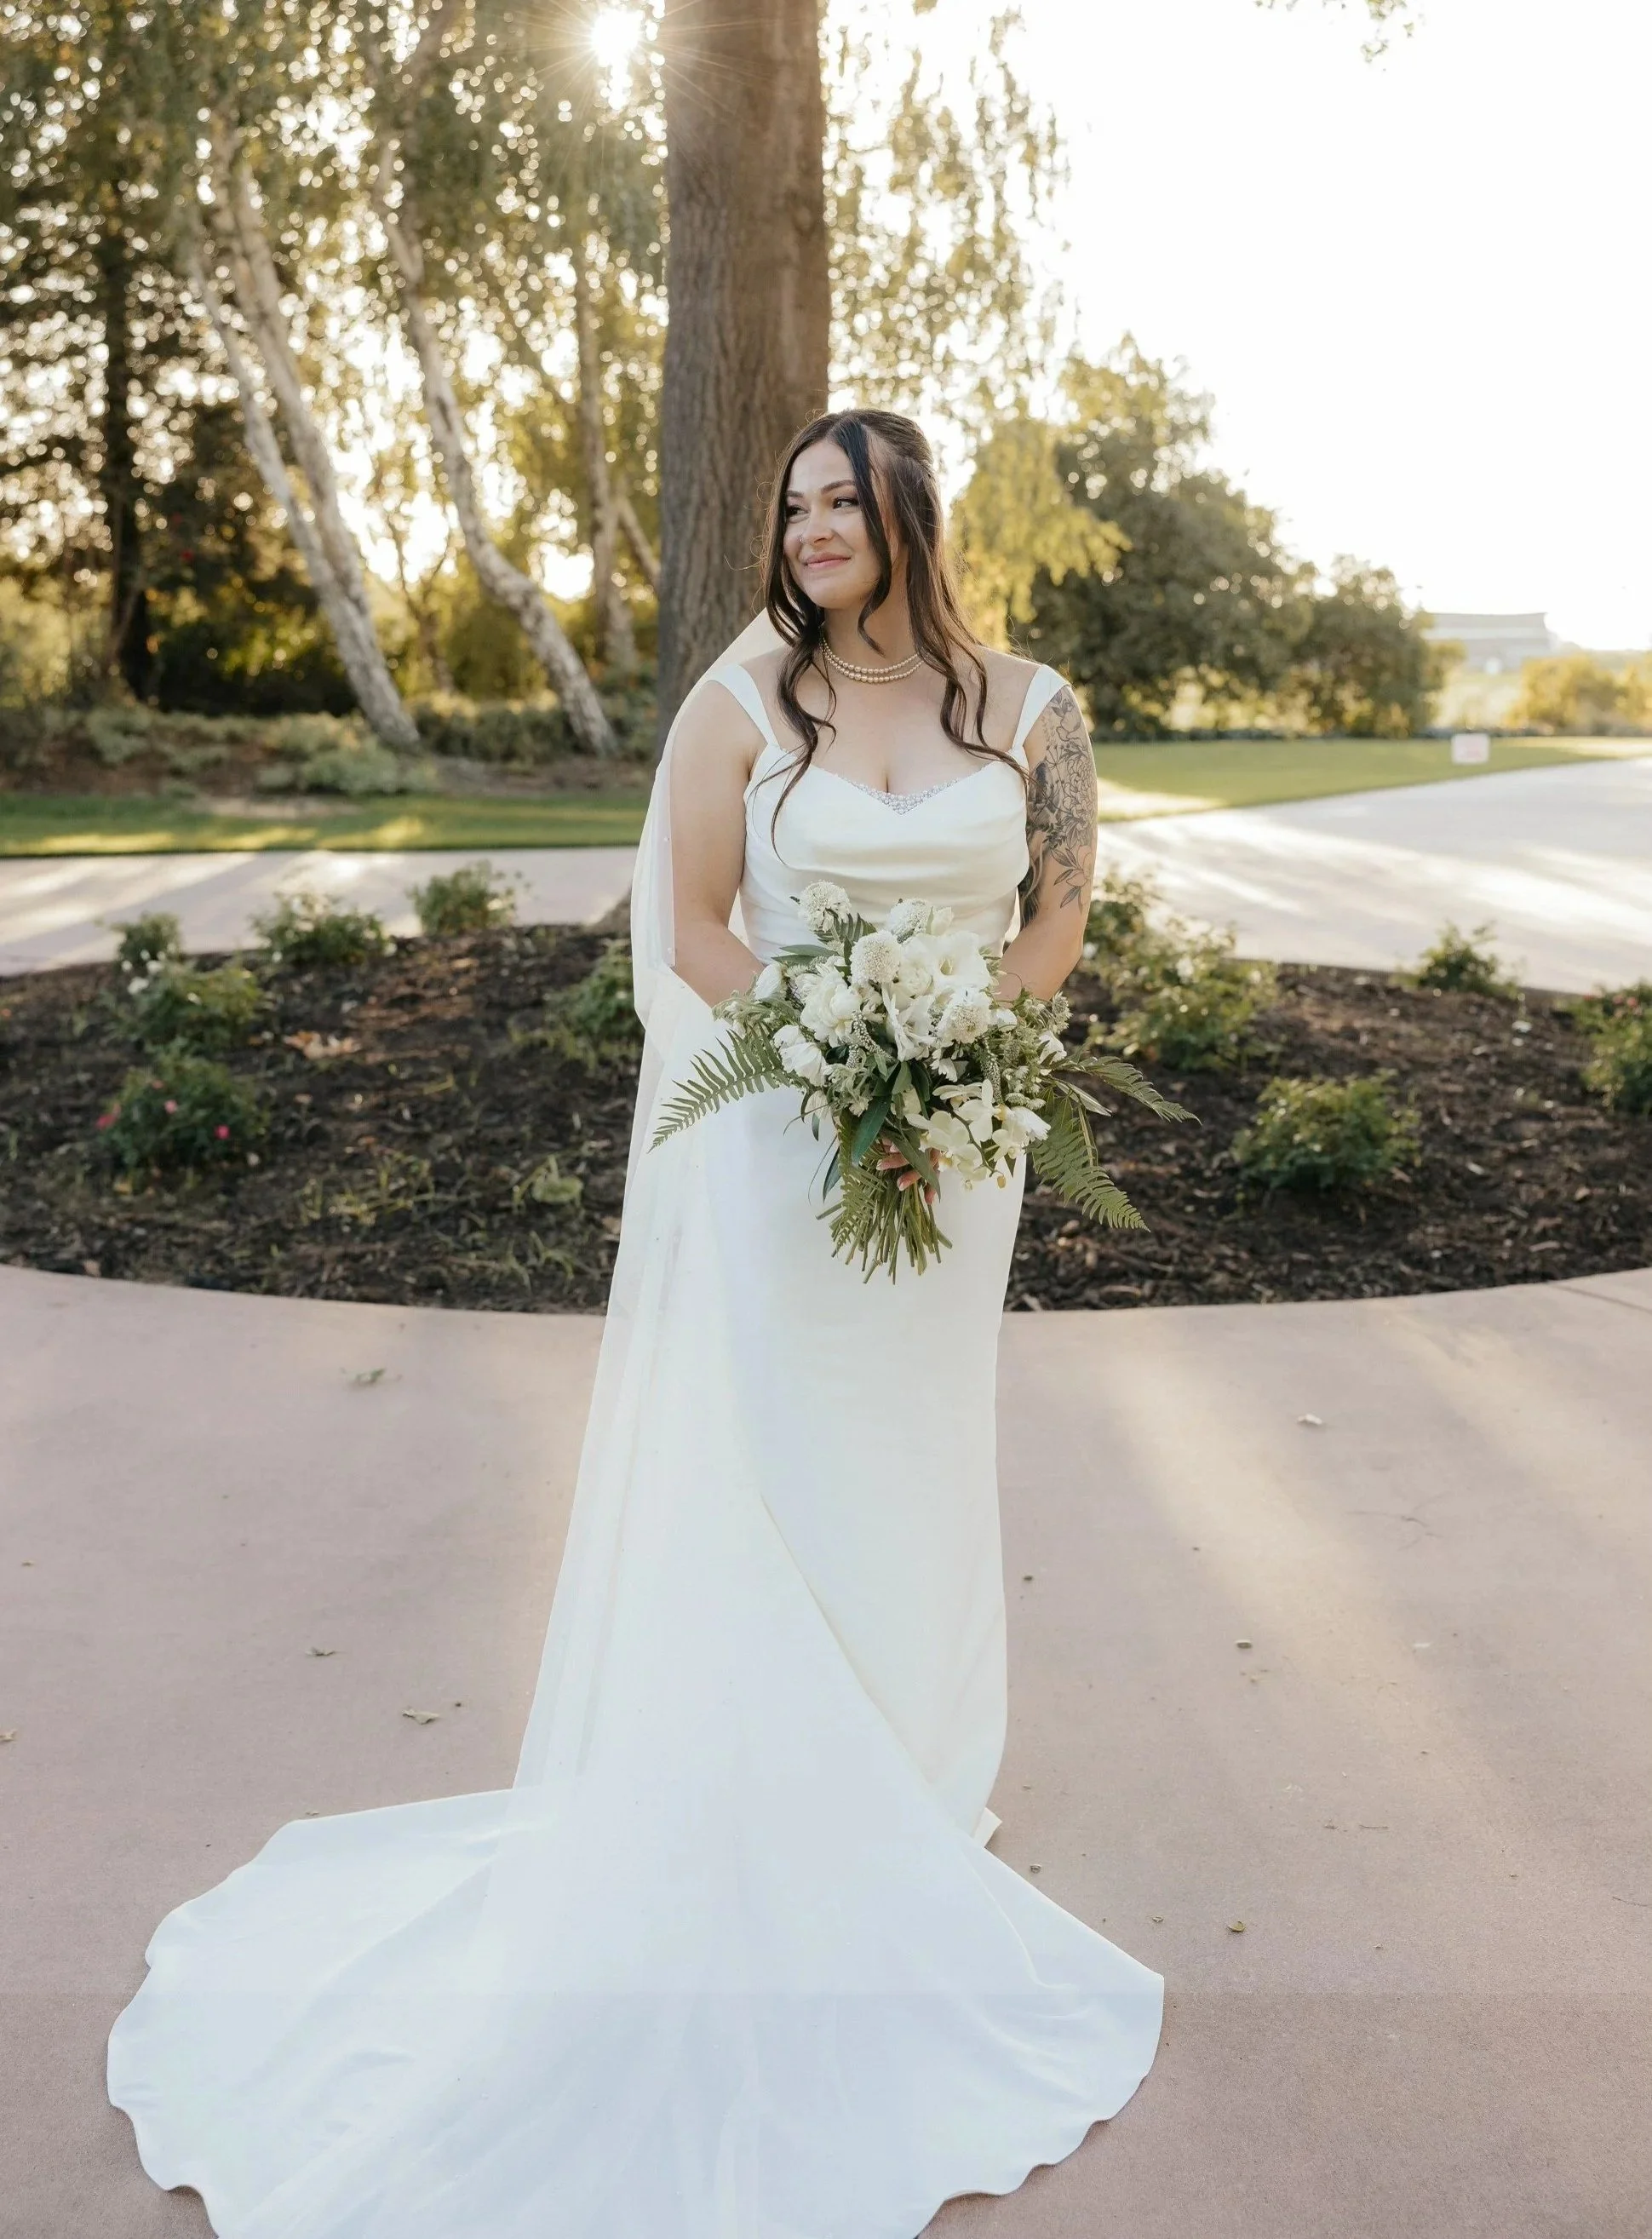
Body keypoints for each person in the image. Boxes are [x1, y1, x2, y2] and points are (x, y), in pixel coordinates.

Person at [107, 408, 1162, 2237]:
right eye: (796, 507)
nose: (815, 529)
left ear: (912, 514)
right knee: (769, 1462)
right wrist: (850, 1061)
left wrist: (944, 1071)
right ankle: (757, 1806)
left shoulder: (1037, 710)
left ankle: (903, 1795)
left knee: (912, 1466)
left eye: (847, 500)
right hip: (782, 1133)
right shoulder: (744, 706)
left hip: (955, 1148)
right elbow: (688, 929)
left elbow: (1054, 921)